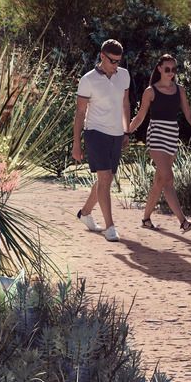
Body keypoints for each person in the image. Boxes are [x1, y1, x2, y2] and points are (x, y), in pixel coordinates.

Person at [128, 54, 191, 233]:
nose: (171, 73)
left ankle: (145, 219)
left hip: (172, 135)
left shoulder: (179, 90)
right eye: (167, 69)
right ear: (159, 69)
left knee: (159, 182)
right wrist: (126, 132)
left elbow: (189, 115)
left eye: (174, 69)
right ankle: (183, 222)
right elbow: (141, 116)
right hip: (156, 135)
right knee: (168, 178)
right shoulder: (151, 91)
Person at [73, 38, 133, 242]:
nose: (116, 65)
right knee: (106, 179)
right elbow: (80, 113)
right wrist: (76, 144)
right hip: (96, 132)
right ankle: (110, 227)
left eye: (119, 61)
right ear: (102, 56)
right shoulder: (88, 80)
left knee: (104, 179)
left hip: (117, 134)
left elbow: (126, 103)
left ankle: (85, 213)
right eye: (112, 61)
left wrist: (127, 131)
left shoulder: (123, 75)